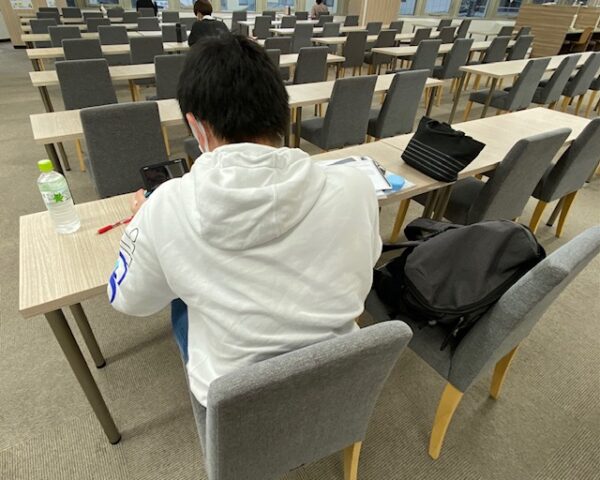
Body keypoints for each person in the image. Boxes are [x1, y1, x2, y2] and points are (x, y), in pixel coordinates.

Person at [107, 35, 381, 407]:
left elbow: (130, 300)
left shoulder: (167, 205)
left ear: (196, 126)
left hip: (236, 402)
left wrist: (139, 224)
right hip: (337, 375)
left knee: (179, 295)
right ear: (282, 111)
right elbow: (367, 261)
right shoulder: (355, 185)